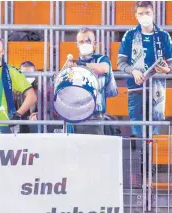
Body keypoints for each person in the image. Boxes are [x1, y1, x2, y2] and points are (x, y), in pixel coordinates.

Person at [117, 1, 172, 137]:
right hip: (135, 88)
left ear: (153, 14)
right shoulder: (129, 35)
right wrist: (133, 71)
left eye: (147, 13)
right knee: (137, 129)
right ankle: (140, 156)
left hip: (157, 89)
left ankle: (152, 155)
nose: (144, 16)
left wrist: (167, 70)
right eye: (141, 13)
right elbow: (120, 63)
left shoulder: (163, 36)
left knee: (156, 129)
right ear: (136, 16)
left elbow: (171, 63)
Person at [65, 27, 118, 135]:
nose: (84, 44)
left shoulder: (102, 59)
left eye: (88, 41)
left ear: (95, 43)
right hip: (76, 117)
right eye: (81, 42)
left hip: (95, 118)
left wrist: (81, 66)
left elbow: (104, 68)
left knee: (96, 151)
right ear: (77, 45)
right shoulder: (71, 64)